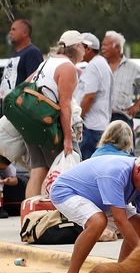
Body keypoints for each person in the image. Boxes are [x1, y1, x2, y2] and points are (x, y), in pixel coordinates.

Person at [50, 153, 140, 273]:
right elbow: (120, 220)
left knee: (137, 226)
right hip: (66, 191)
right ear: (138, 170)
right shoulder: (115, 172)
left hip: (103, 200)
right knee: (98, 221)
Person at [0, 30, 86, 199]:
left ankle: (29, 219)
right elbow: (65, 105)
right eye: (84, 46)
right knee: (67, 170)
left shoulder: (48, 62)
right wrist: (68, 139)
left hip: (30, 122)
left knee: (38, 170)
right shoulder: (68, 68)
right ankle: (59, 217)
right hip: (48, 126)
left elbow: (25, 84)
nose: (86, 50)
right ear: (76, 46)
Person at [102, 31, 140, 131]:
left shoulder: (132, 67)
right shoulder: (100, 65)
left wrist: (137, 105)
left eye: (105, 45)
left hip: (121, 118)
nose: (102, 48)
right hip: (100, 118)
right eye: (102, 45)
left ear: (117, 48)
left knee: (124, 145)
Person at [74, 32, 113, 160]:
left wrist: (77, 120)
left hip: (91, 127)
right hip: (99, 125)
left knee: (86, 166)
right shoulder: (101, 63)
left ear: (88, 49)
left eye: (79, 46)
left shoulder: (93, 66)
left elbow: (89, 96)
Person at [0, 19, 43, 115]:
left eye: (14, 29)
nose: (10, 32)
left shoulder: (32, 52)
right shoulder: (14, 54)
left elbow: (34, 84)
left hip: (17, 110)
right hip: (5, 107)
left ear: (25, 33)